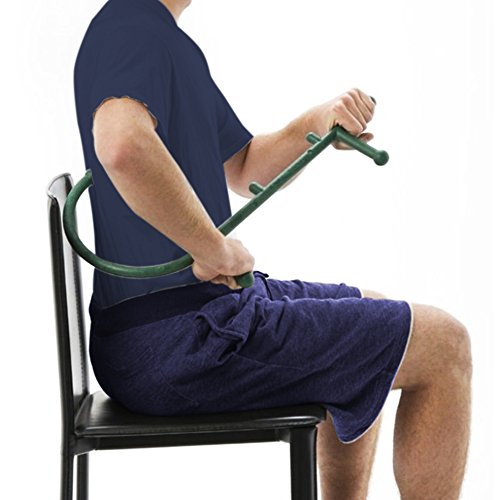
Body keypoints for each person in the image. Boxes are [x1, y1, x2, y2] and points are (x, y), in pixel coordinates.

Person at [73, 1, 472, 498]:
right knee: (443, 345)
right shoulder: (132, 29)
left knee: (373, 312)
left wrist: (319, 122)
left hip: (176, 326)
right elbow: (122, 146)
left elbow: (245, 168)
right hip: (181, 339)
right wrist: (213, 249)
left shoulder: (160, 37)